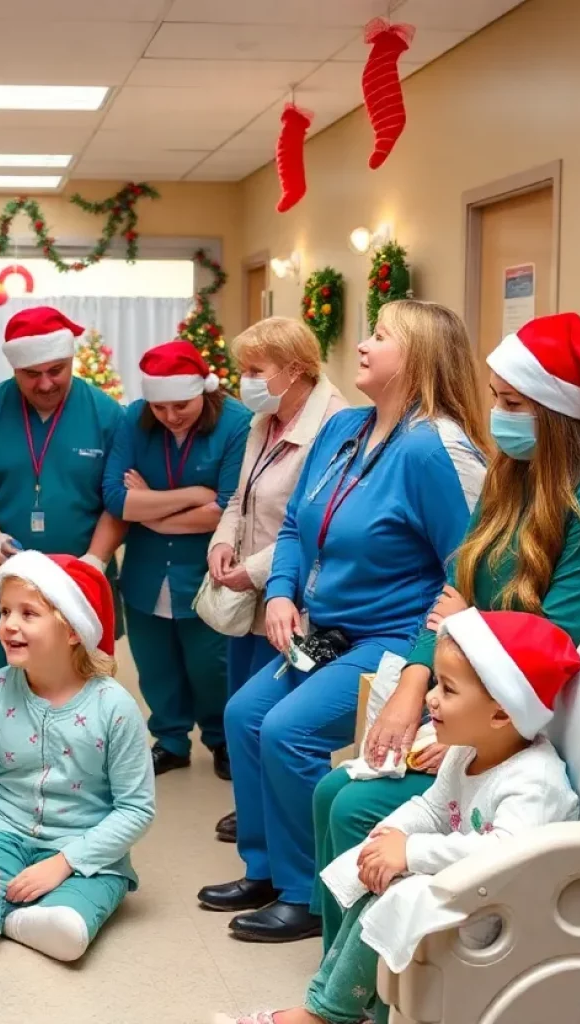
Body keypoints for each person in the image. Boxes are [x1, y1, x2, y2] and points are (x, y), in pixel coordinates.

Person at [198, 299, 489, 943]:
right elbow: (299, 521)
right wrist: (279, 591)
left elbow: (467, 569)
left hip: (391, 639)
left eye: (380, 337)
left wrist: (425, 672)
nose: (361, 345)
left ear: (416, 360)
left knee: (287, 732)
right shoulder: (345, 429)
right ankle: (268, 868)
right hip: (323, 632)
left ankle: (307, 894)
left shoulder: (432, 450)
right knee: (244, 717)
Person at [313, 310, 580, 956]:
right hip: (473, 696)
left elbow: (548, 640)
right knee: (333, 787)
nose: (495, 416)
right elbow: (459, 583)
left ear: (554, 414)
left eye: (510, 403)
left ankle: (371, 985)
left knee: (355, 809)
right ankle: (343, 975)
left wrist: (474, 718)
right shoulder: (508, 481)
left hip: (514, 723)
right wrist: (416, 684)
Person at [223, 610, 580, 1024]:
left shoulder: (533, 782)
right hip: (476, 888)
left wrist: (410, 853)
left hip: (512, 914)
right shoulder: (468, 751)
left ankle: (324, 1015)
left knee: (395, 893)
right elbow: (432, 806)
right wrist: (392, 834)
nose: (431, 698)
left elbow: (507, 856)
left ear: (501, 714)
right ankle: (341, 1005)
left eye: (447, 689)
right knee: (376, 878)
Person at [0, 551, 155, 962]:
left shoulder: (115, 707)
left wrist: (64, 863)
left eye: (28, 613)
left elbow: (136, 810)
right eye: (5, 611)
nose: (9, 625)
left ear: (72, 630)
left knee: (77, 913)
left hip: (84, 849)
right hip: (1, 833)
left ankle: (33, 920)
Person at [0, 306, 126, 690]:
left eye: (56, 370)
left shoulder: (105, 414)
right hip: (2, 580)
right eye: (31, 374)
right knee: (0, 680)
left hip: (77, 577)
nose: (46, 384)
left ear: (71, 360)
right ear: (15, 370)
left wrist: (95, 561)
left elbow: (118, 500)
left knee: (78, 686)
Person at [207, 318, 348, 841]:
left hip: (297, 601)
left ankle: (274, 824)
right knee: (240, 713)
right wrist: (221, 544)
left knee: (276, 718)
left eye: (253, 370)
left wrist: (257, 571)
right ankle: (254, 815)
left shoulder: (336, 424)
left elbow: (316, 523)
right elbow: (240, 500)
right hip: (246, 595)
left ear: (294, 370)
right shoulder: (262, 420)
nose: (242, 380)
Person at [102, 341, 251, 777]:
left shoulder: (237, 423)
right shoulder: (134, 419)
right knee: (155, 665)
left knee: (210, 665)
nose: (170, 416)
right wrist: (189, 499)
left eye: (181, 405)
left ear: (203, 391)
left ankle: (221, 740)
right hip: (147, 570)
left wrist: (148, 505)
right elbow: (115, 498)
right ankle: (170, 740)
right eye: (160, 407)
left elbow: (227, 507)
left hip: (208, 571)